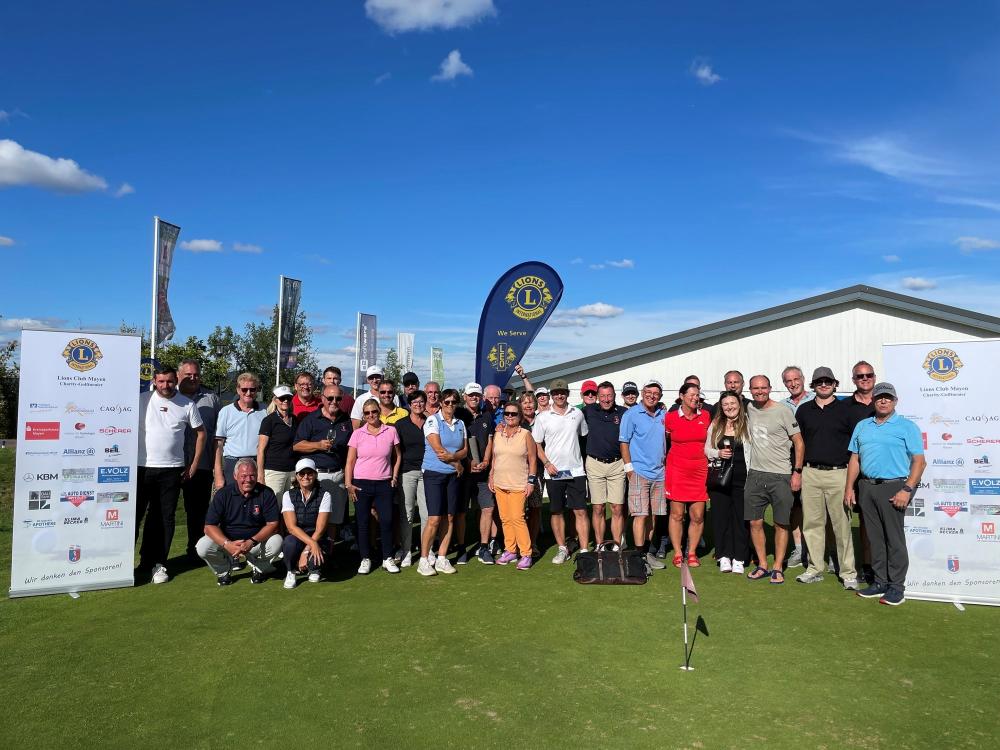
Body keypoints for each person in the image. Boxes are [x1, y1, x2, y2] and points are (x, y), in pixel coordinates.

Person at [845, 382, 925, 606]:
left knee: (894, 539)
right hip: (866, 487)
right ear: (873, 400)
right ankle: (880, 583)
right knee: (874, 538)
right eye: (879, 397)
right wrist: (849, 487)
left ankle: (896, 587)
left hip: (894, 487)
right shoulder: (862, 426)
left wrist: (906, 489)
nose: (883, 401)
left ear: (895, 401)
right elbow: (855, 459)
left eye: (888, 398)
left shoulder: (907, 427)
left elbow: (919, 461)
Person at [137, 366, 206, 584]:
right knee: (137, 516)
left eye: (169, 381)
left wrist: (194, 464)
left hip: (172, 469)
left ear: (175, 380)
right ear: (154, 381)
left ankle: (160, 563)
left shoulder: (187, 404)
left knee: (164, 518)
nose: (165, 386)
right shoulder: (141, 400)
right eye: (161, 382)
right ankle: (135, 563)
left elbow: (201, 433)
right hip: (141, 467)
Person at [794, 367, 859, 589]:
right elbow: (798, 444)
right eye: (819, 381)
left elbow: (855, 449)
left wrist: (851, 481)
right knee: (812, 524)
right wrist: (798, 471)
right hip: (811, 472)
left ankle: (848, 572)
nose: (824, 384)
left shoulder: (845, 410)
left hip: (838, 473)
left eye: (828, 381)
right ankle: (814, 568)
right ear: (813, 385)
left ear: (835, 384)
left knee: (841, 524)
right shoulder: (803, 411)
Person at [744, 375, 804, 584]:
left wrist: (797, 472)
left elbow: (799, 442)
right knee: (755, 522)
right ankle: (762, 564)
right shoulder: (748, 409)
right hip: (756, 474)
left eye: (763, 387)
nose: (759, 391)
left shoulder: (783, 411)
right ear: (750, 390)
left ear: (770, 388)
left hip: (781, 475)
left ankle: (778, 566)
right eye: (755, 388)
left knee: (781, 523)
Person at [196, 458, 282, 585]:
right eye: (244, 476)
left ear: (257, 475)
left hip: (255, 543)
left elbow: (273, 525)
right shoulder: (223, 494)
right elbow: (209, 527)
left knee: (277, 541)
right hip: (229, 543)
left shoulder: (266, 493)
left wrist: (251, 542)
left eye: (252, 475)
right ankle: (224, 571)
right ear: (235, 476)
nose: (248, 480)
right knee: (202, 546)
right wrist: (227, 544)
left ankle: (259, 567)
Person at [532, 378, 590, 564]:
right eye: (556, 393)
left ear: (567, 394)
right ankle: (562, 548)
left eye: (562, 392)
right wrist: (547, 463)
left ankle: (583, 549)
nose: (559, 395)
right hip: (554, 472)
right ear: (551, 396)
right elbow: (537, 444)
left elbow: (583, 437)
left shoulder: (578, 413)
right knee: (556, 511)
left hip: (576, 471)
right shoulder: (542, 417)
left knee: (580, 511)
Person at [345, 398, 402, 574]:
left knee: (386, 521)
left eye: (374, 412)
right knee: (362, 523)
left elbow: (397, 456)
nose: (371, 415)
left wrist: (394, 476)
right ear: (364, 415)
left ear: (379, 412)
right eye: (367, 413)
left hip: (384, 483)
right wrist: (348, 483)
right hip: (361, 483)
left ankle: (387, 558)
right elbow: (350, 461)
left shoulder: (390, 431)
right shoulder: (357, 434)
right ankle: (365, 558)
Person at [292, 385, 352, 545]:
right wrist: (318, 445)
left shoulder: (346, 420)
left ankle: (330, 552)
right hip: (316, 475)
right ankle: (309, 550)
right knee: (315, 518)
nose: (334, 401)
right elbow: (297, 445)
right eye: (330, 398)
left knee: (334, 519)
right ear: (323, 399)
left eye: (338, 398)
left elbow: (350, 450)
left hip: (338, 474)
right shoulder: (311, 419)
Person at [418, 389, 468, 576]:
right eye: (446, 402)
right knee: (434, 518)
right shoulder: (432, 420)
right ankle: (424, 559)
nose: (450, 405)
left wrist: (455, 458)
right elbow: (438, 449)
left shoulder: (461, 423)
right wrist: (457, 464)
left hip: (452, 475)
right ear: (440, 403)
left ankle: (441, 558)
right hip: (434, 473)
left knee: (449, 517)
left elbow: (464, 450)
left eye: (454, 402)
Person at [619, 379, 667, 570]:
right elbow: (624, 442)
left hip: (660, 474)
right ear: (642, 393)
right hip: (639, 471)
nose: (652, 395)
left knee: (653, 516)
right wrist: (628, 468)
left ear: (660, 396)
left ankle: (647, 553)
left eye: (656, 393)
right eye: (648, 392)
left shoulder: (663, 414)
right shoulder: (631, 414)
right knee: (640, 514)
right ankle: (638, 557)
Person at [177, 358, 220, 561]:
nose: (193, 378)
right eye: (188, 375)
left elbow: (219, 434)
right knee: (163, 512)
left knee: (198, 511)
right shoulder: (168, 396)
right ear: (178, 376)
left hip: (201, 464)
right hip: (171, 463)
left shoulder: (212, 398)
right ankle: (157, 556)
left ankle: (195, 550)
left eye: (196, 374)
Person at [664, 382, 711, 567]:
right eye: (691, 394)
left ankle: (691, 552)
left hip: (700, 471)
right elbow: (665, 441)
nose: (694, 398)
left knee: (698, 515)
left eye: (697, 394)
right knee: (677, 515)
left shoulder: (706, 416)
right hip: (677, 470)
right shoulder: (670, 417)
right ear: (681, 396)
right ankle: (677, 552)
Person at [704, 391, 750, 574]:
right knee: (721, 517)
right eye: (725, 404)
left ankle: (739, 557)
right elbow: (706, 448)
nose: (730, 406)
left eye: (732, 403)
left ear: (739, 403)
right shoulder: (716, 424)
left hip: (743, 477)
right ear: (721, 407)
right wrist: (718, 453)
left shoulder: (748, 423)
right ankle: (724, 555)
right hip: (720, 478)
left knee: (740, 518)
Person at [489, 400, 538, 569]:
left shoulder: (525, 434)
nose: (510, 417)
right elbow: (495, 458)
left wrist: (531, 482)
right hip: (500, 482)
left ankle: (526, 554)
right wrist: (491, 476)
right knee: (505, 518)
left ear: (520, 416)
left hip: (519, 483)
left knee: (518, 518)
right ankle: (510, 550)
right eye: (507, 414)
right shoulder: (498, 433)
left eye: (513, 414)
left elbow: (532, 459)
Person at [844, 360, 878, 583]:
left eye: (868, 375)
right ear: (853, 380)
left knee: (880, 522)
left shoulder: (884, 401)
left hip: (882, 473)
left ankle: (882, 564)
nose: (865, 379)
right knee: (864, 521)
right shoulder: (845, 407)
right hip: (856, 472)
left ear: (874, 377)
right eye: (860, 376)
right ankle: (866, 564)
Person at [456, 382, 497, 564]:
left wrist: (486, 461)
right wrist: (468, 462)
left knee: (487, 509)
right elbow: (455, 444)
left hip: (482, 473)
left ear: (481, 398)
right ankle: (462, 548)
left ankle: (483, 547)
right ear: (465, 396)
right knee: (461, 512)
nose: (474, 398)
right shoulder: (457, 416)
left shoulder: (487, 416)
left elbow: (489, 442)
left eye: (477, 395)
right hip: (464, 473)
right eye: (471, 395)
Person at [582, 381, 627, 546]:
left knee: (616, 508)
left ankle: (616, 545)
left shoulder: (624, 413)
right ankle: (600, 546)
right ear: (597, 397)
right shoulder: (588, 411)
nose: (606, 399)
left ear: (614, 396)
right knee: (598, 508)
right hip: (594, 464)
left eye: (609, 396)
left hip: (617, 464)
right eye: (602, 396)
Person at [780, 365, 814, 569]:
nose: (793, 384)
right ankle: (799, 548)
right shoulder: (782, 406)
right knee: (794, 508)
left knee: (816, 509)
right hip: (788, 462)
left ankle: (819, 550)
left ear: (803, 379)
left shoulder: (814, 399)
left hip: (813, 462)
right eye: (788, 381)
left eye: (796, 379)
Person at [281, 458, 332, 588]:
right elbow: (291, 527)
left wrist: (307, 550)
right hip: (298, 537)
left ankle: (313, 568)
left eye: (310, 473)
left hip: (318, 537)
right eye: (302, 474)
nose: (306, 477)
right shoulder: (288, 495)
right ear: (296, 476)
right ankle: (291, 571)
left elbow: (320, 529)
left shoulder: (325, 495)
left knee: (315, 565)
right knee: (289, 542)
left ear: (315, 474)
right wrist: (311, 544)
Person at [214, 372, 267, 489]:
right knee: (233, 503)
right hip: (233, 464)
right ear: (238, 390)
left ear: (257, 390)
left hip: (257, 463)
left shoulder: (265, 411)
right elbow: (218, 444)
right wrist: (218, 474)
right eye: (244, 389)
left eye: (252, 389)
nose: (248, 393)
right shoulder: (226, 411)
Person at [394, 389, 429, 567]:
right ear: (409, 405)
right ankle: (407, 550)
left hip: (427, 473)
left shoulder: (431, 422)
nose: (418, 404)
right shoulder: (400, 424)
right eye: (414, 402)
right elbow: (395, 452)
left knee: (426, 514)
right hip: (407, 472)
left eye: (421, 401)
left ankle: (426, 551)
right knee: (407, 514)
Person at [257, 385, 298, 498]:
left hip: (292, 472)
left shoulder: (295, 420)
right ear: (275, 400)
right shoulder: (269, 421)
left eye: (288, 398)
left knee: (290, 508)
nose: (285, 401)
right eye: (282, 398)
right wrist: (260, 476)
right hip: (274, 471)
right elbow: (260, 450)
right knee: (273, 506)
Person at [520, 391, 544, 553]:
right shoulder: (515, 420)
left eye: (531, 402)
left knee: (535, 508)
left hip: (538, 471)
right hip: (519, 471)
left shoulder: (543, 420)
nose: (528, 405)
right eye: (525, 403)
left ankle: (533, 542)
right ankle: (521, 543)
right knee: (519, 510)